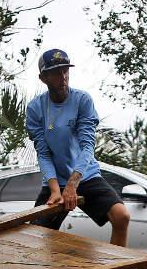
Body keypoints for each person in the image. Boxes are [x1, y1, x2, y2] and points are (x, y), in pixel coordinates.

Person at [25, 49, 131, 246]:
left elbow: (87, 146)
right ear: (43, 78)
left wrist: (73, 184)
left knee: (121, 216)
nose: (63, 77)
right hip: (55, 181)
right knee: (36, 235)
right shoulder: (35, 108)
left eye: (65, 70)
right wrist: (56, 190)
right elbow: (44, 153)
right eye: (56, 72)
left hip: (85, 175)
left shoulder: (82, 100)